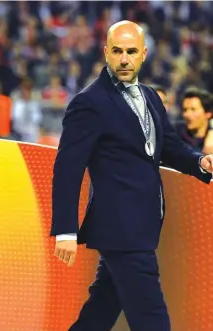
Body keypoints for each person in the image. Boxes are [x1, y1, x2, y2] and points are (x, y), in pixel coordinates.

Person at [51, 20, 213, 331]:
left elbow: (165, 144)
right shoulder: (89, 102)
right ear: (106, 53)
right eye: (117, 51)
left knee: (100, 312)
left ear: (144, 54)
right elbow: (67, 167)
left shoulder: (151, 96)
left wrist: (198, 161)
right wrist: (65, 231)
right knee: (151, 318)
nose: (124, 59)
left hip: (143, 224)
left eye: (131, 51)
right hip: (122, 230)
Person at [176, 87, 213, 154]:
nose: (187, 114)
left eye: (193, 109)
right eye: (185, 110)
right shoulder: (175, 132)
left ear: (208, 113)